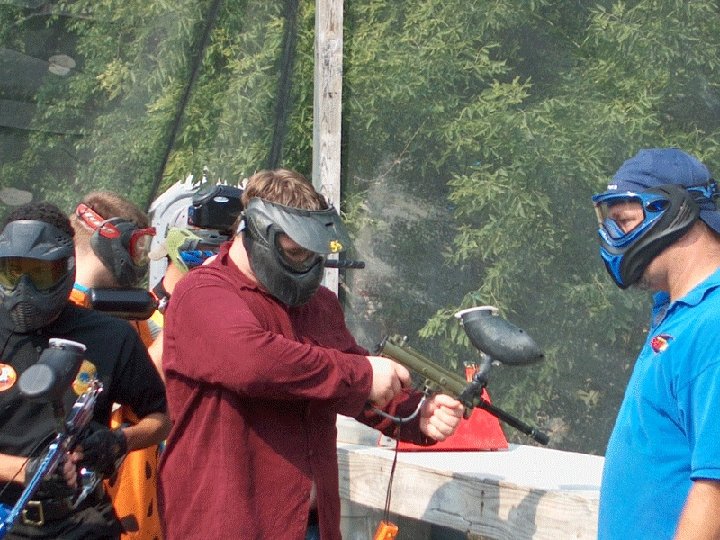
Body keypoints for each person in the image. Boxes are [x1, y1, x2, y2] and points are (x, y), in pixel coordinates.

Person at [158, 168, 464, 540]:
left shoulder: (319, 305)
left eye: (312, 253)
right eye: (295, 252)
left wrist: (416, 413)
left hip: (313, 525)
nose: (306, 265)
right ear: (258, 233)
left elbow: (347, 384)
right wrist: (364, 375)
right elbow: (254, 363)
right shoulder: (202, 294)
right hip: (230, 528)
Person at [0, 201, 169, 539]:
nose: (24, 288)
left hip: (81, 522)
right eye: (12, 272)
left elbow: (161, 418)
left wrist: (118, 441)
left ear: (67, 267)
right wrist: (28, 471)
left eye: (40, 273)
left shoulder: (111, 335)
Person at [592, 148, 720, 539]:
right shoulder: (677, 312)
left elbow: (715, 490)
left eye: (624, 221)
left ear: (675, 211)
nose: (612, 237)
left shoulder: (713, 324)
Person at [70, 191, 171, 539]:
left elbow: (153, 399)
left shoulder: (131, 313)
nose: (139, 259)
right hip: (89, 508)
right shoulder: (60, 315)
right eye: (135, 246)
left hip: (137, 504)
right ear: (109, 239)